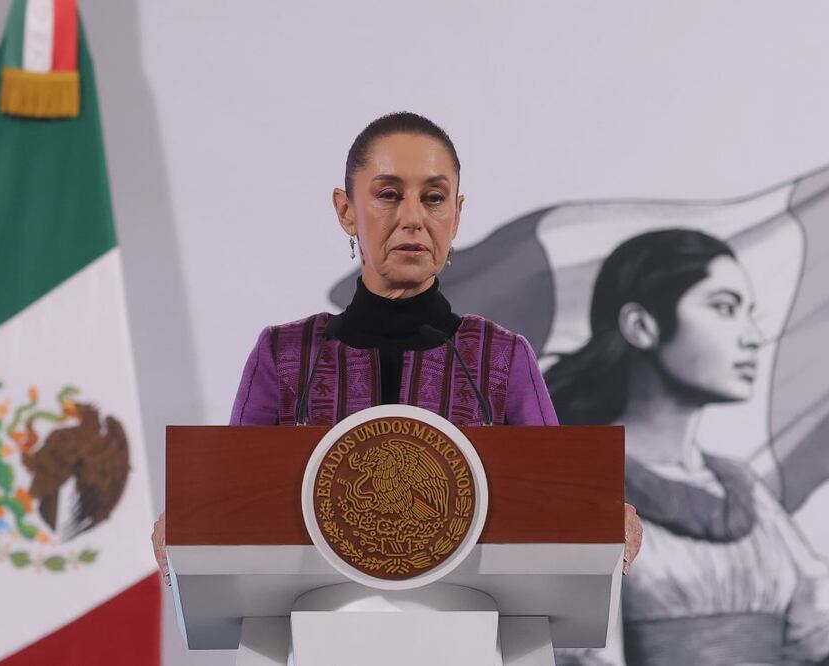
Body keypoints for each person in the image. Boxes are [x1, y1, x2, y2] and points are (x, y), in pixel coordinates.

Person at [152, 111, 644, 586]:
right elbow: (236, 504)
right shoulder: (285, 356)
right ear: (346, 210)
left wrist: (596, 514)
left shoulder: (500, 358)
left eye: (434, 198)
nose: (413, 218)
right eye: (388, 194)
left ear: (456, 215)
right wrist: (194, 521)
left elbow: (558, 498)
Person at [546, 229, 829, 666]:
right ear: (642, 326)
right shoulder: (571, 492)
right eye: (724, 308)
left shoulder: (746, 495)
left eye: (748, 313)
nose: (752, 336)